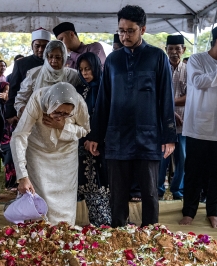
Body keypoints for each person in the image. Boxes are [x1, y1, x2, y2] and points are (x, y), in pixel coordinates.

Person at [86, 5, 176, 228]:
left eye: (130, 30)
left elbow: (166, 98)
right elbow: (103, 101)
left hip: (148, 136)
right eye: (121, 30)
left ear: (143, 29)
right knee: (117, 194)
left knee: (149, 192)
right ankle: (118, 235)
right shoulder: (113, 61)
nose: (124, 36)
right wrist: (95, 134)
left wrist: (169, 136)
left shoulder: (157, 57)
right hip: (117, 137)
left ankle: (151, 234)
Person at [180, 25, 217, 228]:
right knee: (194, 172)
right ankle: (189, 212)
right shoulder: (197, 60)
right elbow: (199, 82)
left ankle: (213, 212)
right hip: (198, 127)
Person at [11, 82, 90, 225]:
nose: (60, 116)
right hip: (38, 153)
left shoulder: (79, 103)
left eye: (66, 114)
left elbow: (85, 129)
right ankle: (39, 239)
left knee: (65, 204)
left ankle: (64, 239)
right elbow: (19, 135)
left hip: (66, 157)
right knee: (40, 201)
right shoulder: (38, 99)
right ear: (49, 104)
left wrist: (63, 126)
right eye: (57, 112)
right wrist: (22, 175)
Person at [76, 52, 111, 226]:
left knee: (102, 183)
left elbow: (106, 116)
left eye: (88, 69)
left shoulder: (105, 88)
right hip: (82, 143)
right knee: (85, 181)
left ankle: (105, 222)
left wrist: (96, 138)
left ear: (96, 67)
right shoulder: (78, 89)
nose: (85, 73)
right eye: (81, 69)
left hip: (103, 144)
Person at [14, 40, 81, 117]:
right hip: (37, 122)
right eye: (50, 57)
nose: (54, 61)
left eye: (58, 57)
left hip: (63, 124)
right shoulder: (34, 74)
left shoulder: (72, 75)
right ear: (46, 57)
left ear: (64, 58)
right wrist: (30, 113)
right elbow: (20, 100)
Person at [158, 35, 187, 200]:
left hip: (184, 124)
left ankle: (178, 191)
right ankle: (159, 190)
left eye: (177, 48)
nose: (174, 52)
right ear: (166, 50)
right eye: (171, 48)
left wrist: (168, 103)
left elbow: (190, 97)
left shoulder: (189, 69)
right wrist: (171, 111)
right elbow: (156, 96)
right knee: (162, 159)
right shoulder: (161, 68)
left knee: (182, 159)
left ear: (184, 50)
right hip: (164, 123)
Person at [4, 28, 51, 124]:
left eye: (44, 46)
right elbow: (13, 90)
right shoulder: (21, 64)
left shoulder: (55, 63)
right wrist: (10, 115)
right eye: (37, 46)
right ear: (32, 46)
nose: (41, 49)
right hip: (25, 112)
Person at [0, 81, 17, 191]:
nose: (7, 93)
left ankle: (14, 183)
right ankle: (10, 183)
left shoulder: (13, 105)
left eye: (9, 90)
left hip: (14, 138)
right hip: (2, 141)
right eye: (4, 90)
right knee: (10, 153)